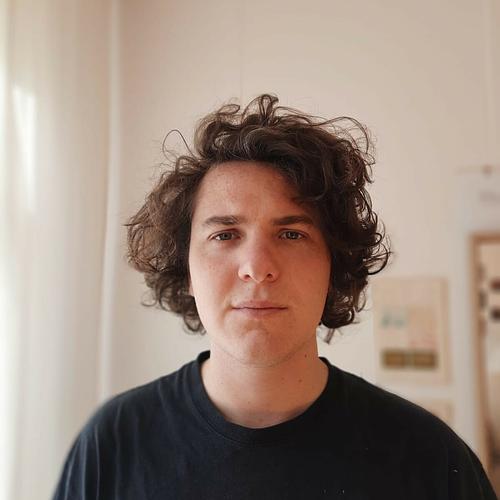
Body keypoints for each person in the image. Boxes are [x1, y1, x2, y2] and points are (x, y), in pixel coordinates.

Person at [53, 94, 497, 499]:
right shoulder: (112, 444)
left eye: (291, 234)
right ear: (185, 267)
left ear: (334, 265)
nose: (257, 266)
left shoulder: (429, 460)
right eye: (225, 234)